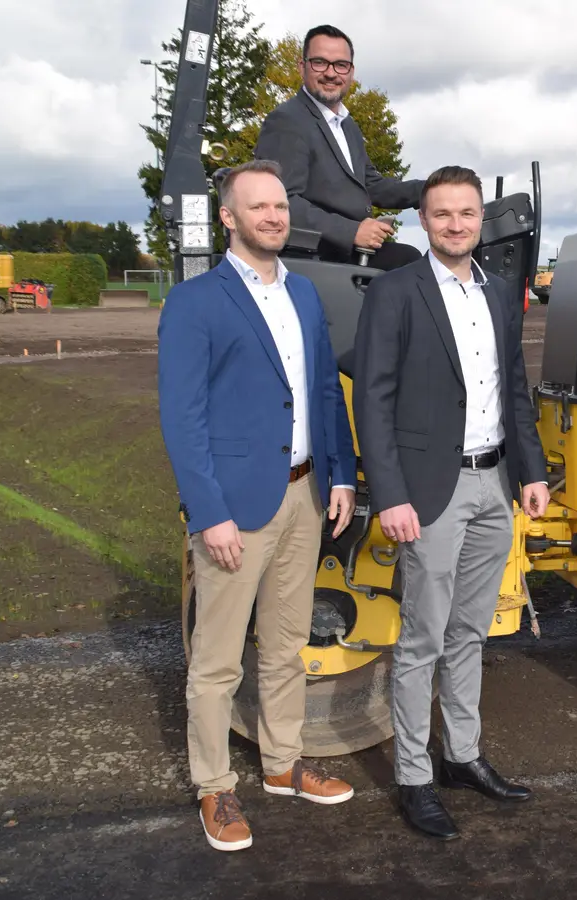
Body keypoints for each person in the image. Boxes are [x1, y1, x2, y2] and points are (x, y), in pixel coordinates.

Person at [156, 158, 362, 851]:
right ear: (228, 217)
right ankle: (214, 787)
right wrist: (207, 511)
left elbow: (325, 395)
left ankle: (281, 765)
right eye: (259, 207)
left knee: (285, 645)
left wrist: (340, 476)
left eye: (279, 206)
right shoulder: (195, 302)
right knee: (217, 661)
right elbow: (182, 418)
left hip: (306, 492)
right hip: (236, 508)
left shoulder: (303, 294)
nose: (274, 216)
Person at [351, 165, 551, 840]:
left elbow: (514, 389)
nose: (456, 224)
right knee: (422, 640)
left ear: (480, 220)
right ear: (424, 220)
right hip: (429, 492)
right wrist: (391, 494)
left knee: (470, 632)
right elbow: (372, 399)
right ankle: (414, 775)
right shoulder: (397, 292)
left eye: (467, 213)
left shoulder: (499, 295)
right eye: (442, 214)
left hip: (495, 485)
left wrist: (532, 471)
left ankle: (461, 756)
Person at [252, 24, 425, 269]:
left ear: (351, 72)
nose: (331, 73)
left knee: (413, 263)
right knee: (410, 266)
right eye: (320, 63)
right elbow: (281, 201)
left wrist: (431, 190)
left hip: (348, 252)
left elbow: (371, 185)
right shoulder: (287, 122)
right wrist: (352, 231)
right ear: (302, 67)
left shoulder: (346, 125)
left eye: (340, 65)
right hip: (317, 254)